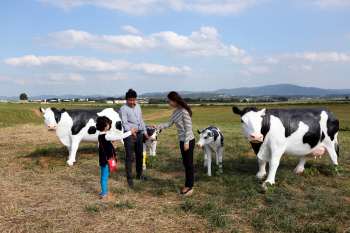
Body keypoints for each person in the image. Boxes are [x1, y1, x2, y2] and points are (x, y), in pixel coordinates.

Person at [150, 91, 195, 196]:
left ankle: (189, 186)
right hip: (182, 140)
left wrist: (187, 143)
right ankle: (189, 185)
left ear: (175, 101)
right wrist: (157, 126)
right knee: (185, 163)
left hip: (188, 141)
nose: (169, 103)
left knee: (188, 164)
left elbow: (189, 129)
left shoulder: (184, 112)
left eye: (170, 101)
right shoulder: (175, 111)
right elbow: (169, 123)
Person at [96, 116, 138, 200]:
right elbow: (118, 137)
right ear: (105, 126)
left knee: (103, 177)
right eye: (108, 124)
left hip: (103, 159)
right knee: (104, 177)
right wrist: (130, 132)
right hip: (106, 160)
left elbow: (101, 146)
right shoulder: (106, 136)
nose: (109, 125)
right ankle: (104, 195)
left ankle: (104, 191)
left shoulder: (100, 135)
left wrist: (111, 148)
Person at [120, 89, 149, 186]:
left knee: (140, 156)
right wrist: (130, 131)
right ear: (126, 99)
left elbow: (141, 120)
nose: (132, 102)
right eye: (130, 100)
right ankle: (129, 178)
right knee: (129, 157)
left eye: (134, 100)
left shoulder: (138, 107)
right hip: (129, 135)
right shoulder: (123, 109)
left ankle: (139, 175)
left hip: (140, 134)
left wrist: (145, 132)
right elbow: (124, 123)